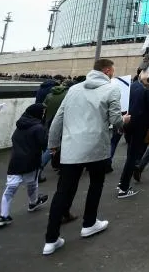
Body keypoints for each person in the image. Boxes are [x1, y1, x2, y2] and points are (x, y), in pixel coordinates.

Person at [43, 58, 130, 256]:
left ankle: (51, 239)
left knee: (63, 192)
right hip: (96, 146)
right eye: (113, 70)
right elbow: (116, 121)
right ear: (107, 71)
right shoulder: (112, 89)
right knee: (95, 185)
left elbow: (59, 118)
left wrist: (53, 145)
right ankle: (89, 223)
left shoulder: (73, 89)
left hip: (71, 147)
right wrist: (124, 120)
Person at [0, 103, 50, 228]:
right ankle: (33, 202)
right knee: (32, 183)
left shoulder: (19, 125)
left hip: (15, 161)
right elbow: (44, 144)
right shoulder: (38, 128)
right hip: (31, 161)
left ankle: (3, 215)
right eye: (42, 112)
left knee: (10, 189)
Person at [118, 72, 149, 198]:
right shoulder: (148, 89)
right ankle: (123, 188)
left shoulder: (133, 85)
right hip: (140, 126)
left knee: (130, 154)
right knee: (132, 157)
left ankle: (122, 182)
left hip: (128, 124)